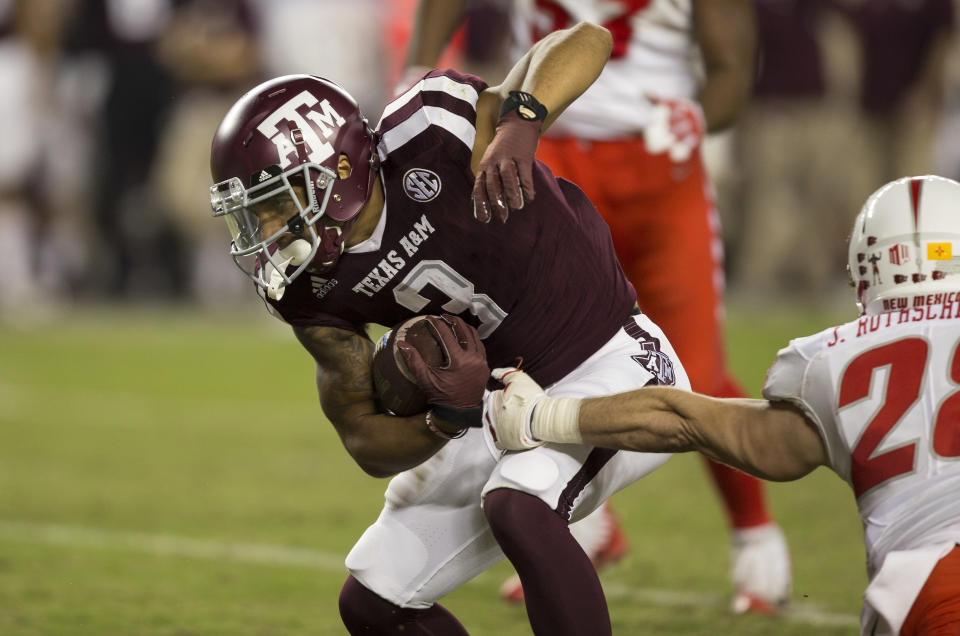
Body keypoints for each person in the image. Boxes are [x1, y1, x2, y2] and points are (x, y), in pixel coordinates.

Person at [209, 23, 692, 635]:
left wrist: (521, 124)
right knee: (373, 602)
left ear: (338, 169)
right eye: (255, 212)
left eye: (277, 201)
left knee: (518, 505)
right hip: (495, 401)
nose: (268, 227)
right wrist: (446, 418)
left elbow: (589, 39)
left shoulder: (430, 133)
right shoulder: (311, 287)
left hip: (607, 354)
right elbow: (362, 436)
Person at [399, 0, 791, 612]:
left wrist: (696, 115)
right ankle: (583, 524)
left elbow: (732, 71)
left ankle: (755, 534)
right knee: (535, 356)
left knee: (694, 368)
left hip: (657, 163)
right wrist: (420, 65)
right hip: (544, 148)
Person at [487, 174, 960, 636]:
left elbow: (689, 422)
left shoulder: (832, 359)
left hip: (925, 588)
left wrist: (543, 415)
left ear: (865, 271)